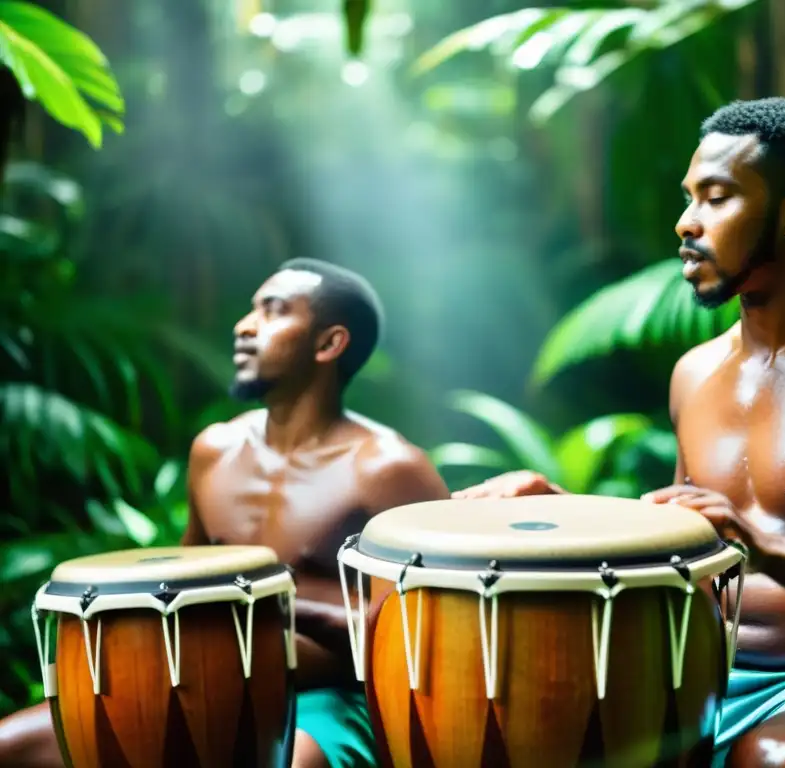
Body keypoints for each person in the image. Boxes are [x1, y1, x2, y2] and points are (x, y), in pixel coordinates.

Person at [453, 98, 785, 767]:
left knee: (777, 762)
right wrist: (561, 512)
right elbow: (689, 553)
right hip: (691, 683)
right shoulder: (697, 373)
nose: (686, 223)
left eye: (717, 199)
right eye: (689, 198)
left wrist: (767, 550)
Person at [0, 258, 449, 768]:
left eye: (274, 312)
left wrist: (278, 607)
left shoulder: (387, 468)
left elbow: (419, 639)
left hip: (324, 700)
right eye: (252, 309)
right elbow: (183, 586)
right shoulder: (214, 451)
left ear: (329, 344)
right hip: (191, 687)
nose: (244, 325)